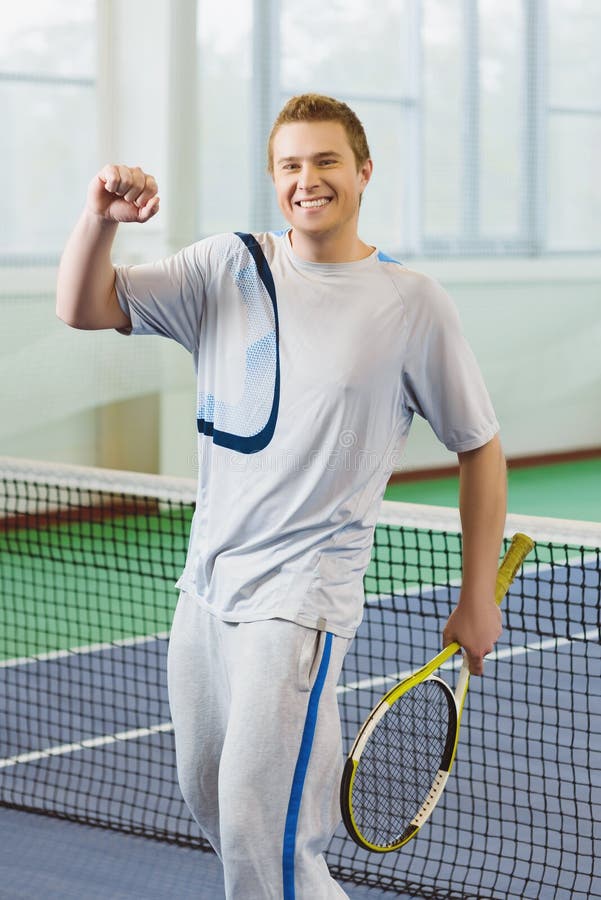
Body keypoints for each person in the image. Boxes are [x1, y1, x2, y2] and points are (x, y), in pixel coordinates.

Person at [56, 93, 506, 899]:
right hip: (204, 589)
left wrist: (477, 594)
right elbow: (84, 306)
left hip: (298, 604)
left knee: (259, 834)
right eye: (291, 164)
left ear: (363, 172)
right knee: (214, 805)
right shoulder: (225, 268)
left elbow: (478, 444)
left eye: (327, 160)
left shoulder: (411, 305)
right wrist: (101, 218)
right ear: (274, 178)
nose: (309, 179)